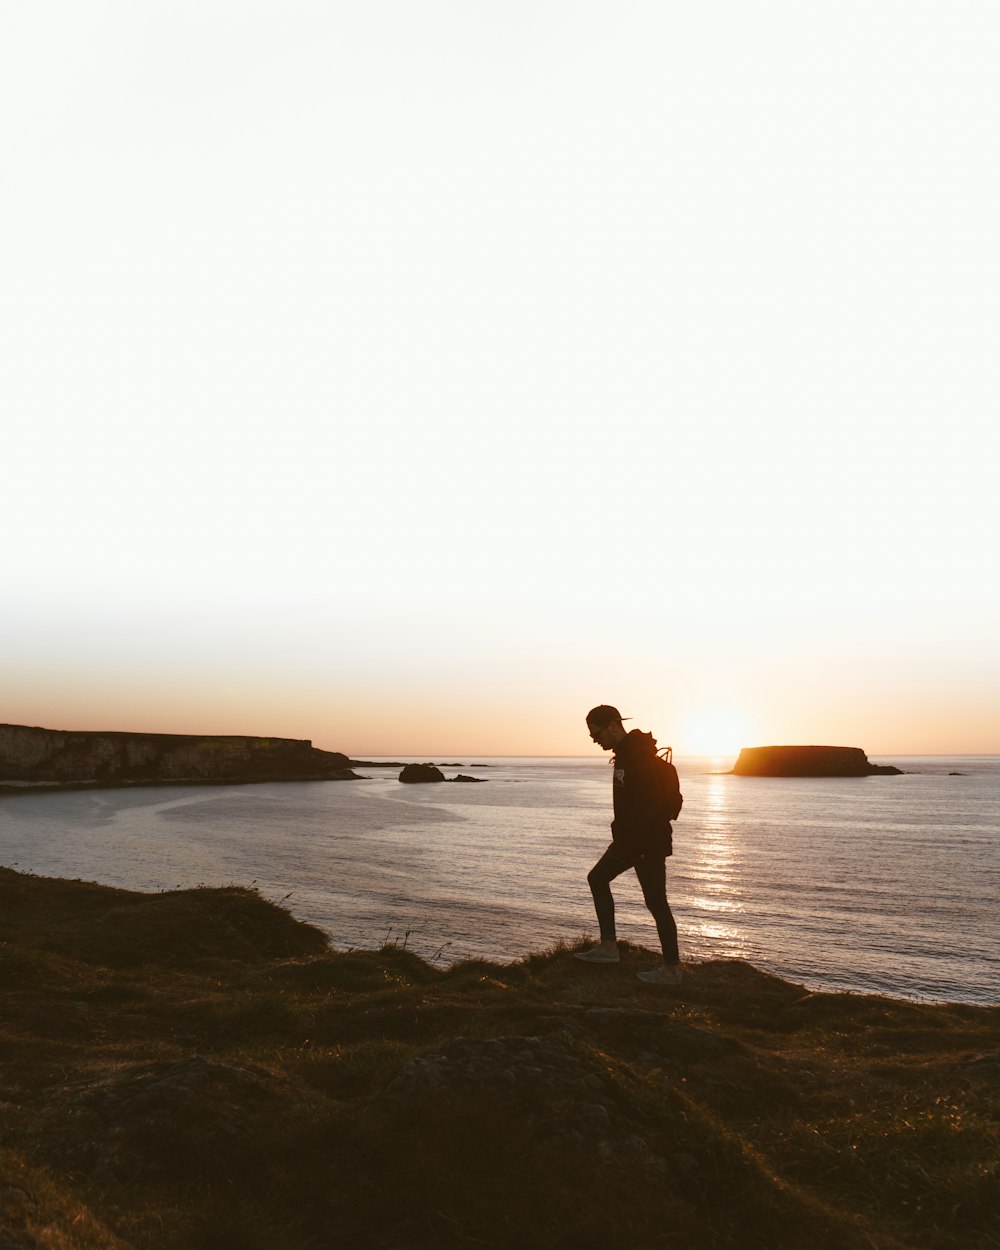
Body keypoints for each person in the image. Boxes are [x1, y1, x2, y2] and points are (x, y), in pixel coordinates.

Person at [576, 704, 682, 986]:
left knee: (656, 902)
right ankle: (609, 948)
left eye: (596, 733)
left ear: (613, 725)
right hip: (633, 841)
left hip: (645, 842)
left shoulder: (637, 756)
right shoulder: (626, 754)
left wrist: (629, 842)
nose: (594, 739)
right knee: (598, 879)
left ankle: (671, 969)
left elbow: (649, 805)